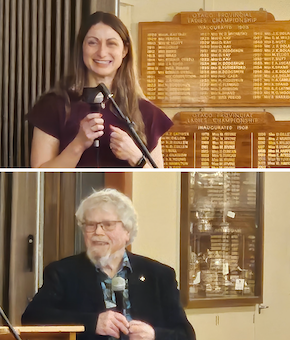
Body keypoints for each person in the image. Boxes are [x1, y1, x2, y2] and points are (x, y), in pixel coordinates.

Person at [22, 189, 196, 340]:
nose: (98, 232)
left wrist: (154, 335)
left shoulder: (159, 275)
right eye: (90, 225)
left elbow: (185, 335)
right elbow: (32, 318)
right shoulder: (63, 272)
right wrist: (92, 323)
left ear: (127, 231)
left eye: (108, 225)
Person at [27, 12, 173, 168]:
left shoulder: (147, 112)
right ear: (81, 47)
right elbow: (39, 172)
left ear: (124, 51)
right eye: (92, 43)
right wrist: (78, 144)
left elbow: (158, 174)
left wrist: (136, 156)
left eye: (111, 43)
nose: (102, 52)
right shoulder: (53, 105)